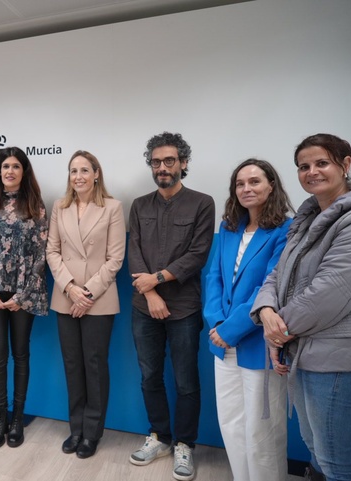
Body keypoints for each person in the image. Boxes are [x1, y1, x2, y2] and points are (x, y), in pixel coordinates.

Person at [251, 134, 351, 481]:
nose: (312, 172)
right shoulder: (305, 219)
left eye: (322, 163)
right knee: (315, 447)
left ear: (345, 165)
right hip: (302, 346)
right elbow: (276, 275)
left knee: (334, 459)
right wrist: (265, 312)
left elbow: (329, 292)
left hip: (335, 353)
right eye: (304, 166)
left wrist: (277, 332)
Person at [127, 132, 214, 481]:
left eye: (169, 161)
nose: (162, 168)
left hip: (184, 308)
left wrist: (158, 280)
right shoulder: (139, 205)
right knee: (149, 376)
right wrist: (149, 293)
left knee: (185, 381)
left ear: (183, 163)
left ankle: (185, 445)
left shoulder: (202, 202)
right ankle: (160, 437)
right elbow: (135, 252)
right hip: (143, 306)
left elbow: (198, 254)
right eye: (156, 162)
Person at [203, 159, 292, 481]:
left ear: (271, 185)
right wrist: (216, 323)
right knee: (233, 425)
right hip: (222, 342)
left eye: (254, 182)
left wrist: (231, 329)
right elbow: (215, 277)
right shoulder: (229, 229)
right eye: (240, 184)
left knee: (262, 432)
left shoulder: (286, 229)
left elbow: (271, 285)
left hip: (257, 343)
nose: (246, 189)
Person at [46, 151, 126, 459]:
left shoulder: (113, 207)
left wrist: (86, 293)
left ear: (96, 174)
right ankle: (75, 428)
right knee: (72, 366)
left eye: (84, 170)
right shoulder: (60, 207)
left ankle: (92, 433)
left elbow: (115, 258)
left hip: (98, 300)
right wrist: (69, 288)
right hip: (65, 298)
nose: (78, 176)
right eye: (72, 170)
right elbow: (52, 251)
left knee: (94, 366)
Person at [0, 146, 48, 449]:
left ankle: (18, 418)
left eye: (16, 166)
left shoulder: (36, 206)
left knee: (21, 354)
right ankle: (0, 418)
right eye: (5, 167)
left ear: (23, 171)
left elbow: (41, 255)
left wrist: (24, 294)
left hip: (22, 295)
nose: (10, 171)